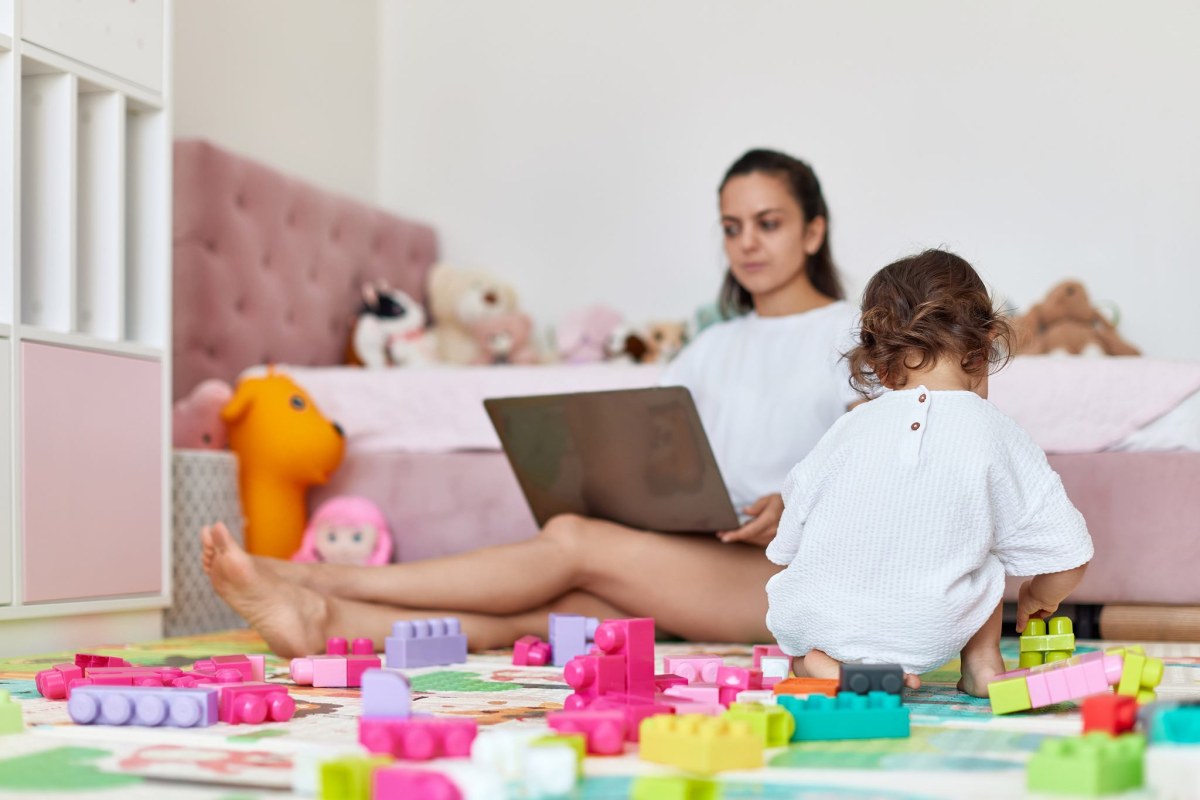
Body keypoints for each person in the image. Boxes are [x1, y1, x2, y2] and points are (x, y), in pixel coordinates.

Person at [202, 149, 862, 658]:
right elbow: (668, 449)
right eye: (732, 227)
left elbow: (888, 469)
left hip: (789, 577)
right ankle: (320, 621)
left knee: (571, 542)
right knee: (554, 609)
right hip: (704, 554)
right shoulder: (710, 348)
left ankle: (327, 582)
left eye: (768, 224)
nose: (747, 242)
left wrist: (799, 503)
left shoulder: (855, 335)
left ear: (812, 232)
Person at [765, 249, 1094, 696]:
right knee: (986, 550)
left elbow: (788, 541)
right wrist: (1040, 595)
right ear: (984, 348)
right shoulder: (993, 430)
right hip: (931, 622)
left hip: (824, 617)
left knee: (806, 635)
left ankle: (819, 664)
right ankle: (982, 666)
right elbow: (1070, 553)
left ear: (877, 362)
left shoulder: (847, 428)